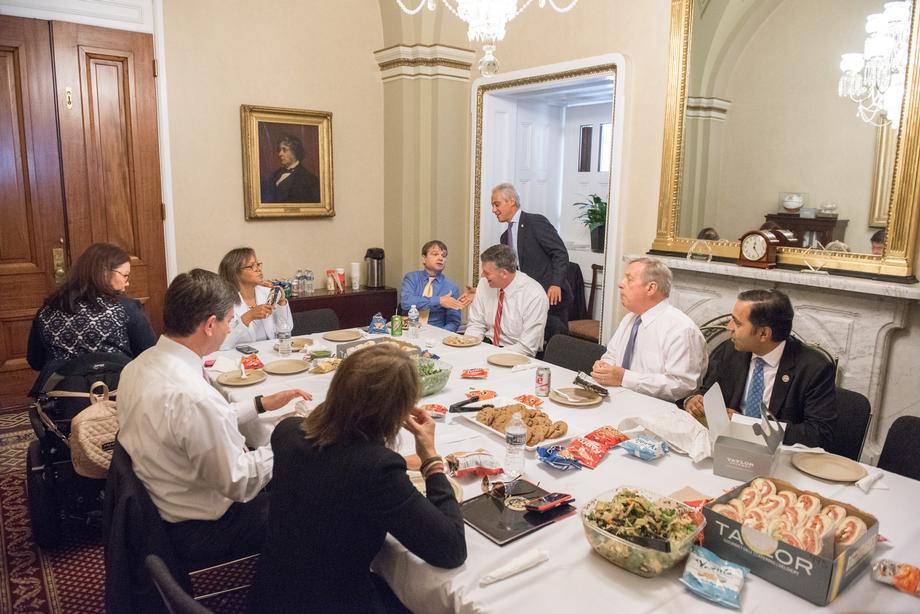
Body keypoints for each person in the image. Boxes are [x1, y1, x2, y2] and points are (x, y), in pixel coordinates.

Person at [247, 343, 466, 612]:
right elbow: (451, 549)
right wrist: (431, 459)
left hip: (270, 596)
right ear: (398, 412)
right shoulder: (376, 470)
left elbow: (336, 459)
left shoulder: (287, 432)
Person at [117, 269, 310, 565]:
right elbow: (240, 482)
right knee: (318, 499)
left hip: (161, 502)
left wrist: (259, 404)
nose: (230, 329)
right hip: (206, 527)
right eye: (230, 321)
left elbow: (191, 428)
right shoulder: (195, 397)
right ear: (210, 324)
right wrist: (289, 442)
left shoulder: (138, 367)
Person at [682, 289, 837, 449]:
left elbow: (819, 433)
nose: (729, 327)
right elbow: (707, 391)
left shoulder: (815, 367)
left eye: (738, 323)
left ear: (764, 333)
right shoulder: (731, 350)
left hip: (778, 455)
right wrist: (693, 401)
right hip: (725, 446)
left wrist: (748, 425)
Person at [26, 242, 156, 395]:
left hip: (64, 405)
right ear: (105, 272)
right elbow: (150, 355)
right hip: (120, 399)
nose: (127, 283)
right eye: (125, 275)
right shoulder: (125, 308)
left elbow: (36, 361)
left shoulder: (47, 311)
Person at [590, 257, 707, 402]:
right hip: (618, 399)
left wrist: (624, 378)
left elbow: (682, 386)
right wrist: (604, 367)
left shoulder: (681, 329)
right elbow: (611, 355)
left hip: (659, 411)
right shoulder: (630, 319)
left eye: (629, 279)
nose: (620, 284)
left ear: (651, 288)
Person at [491, 182, 572, 341]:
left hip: (550, 294)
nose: (493, 210)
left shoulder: (535, 222)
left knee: (554, 343)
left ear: (511, 201)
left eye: (496, 204)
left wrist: (556, 283)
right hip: (526, 297)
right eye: (492, 205)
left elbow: (560, 253)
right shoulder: (504, 237)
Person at [465, 244, 548, 357]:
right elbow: (476, 324)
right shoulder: (484, 284)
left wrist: (491, 354)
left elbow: (527, 348)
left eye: (487, 273)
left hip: (517, 354)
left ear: (504, 273)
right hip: (486, 346)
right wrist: (469, 347)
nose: (482, 276)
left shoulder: (534, 296)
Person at [218, 247, 293, 350]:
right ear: (234, 273)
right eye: (251, 266)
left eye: (258, 264)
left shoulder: (268, 293)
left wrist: (282, 303)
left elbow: (287, 329)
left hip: (271, 353)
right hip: (239, 358)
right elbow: (221, 345)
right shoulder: (223, 301)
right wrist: (248, 317)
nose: (258, 269)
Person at [400, 240, 467, 332]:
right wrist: (439, 300)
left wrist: (439, 336)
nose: (440, 258)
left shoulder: (451, 287)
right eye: (435, 254)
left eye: (444, 256)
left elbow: (453, 322)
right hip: (408, 331)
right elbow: (406, 303)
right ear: (424, 258)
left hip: (436, 335)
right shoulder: (411, 278)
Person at [262, 134, 320, 203]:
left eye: (284, 150)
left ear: (295, 151)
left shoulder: (308, 179)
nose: (280, 154)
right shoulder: (277, 173)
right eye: (280, 150)